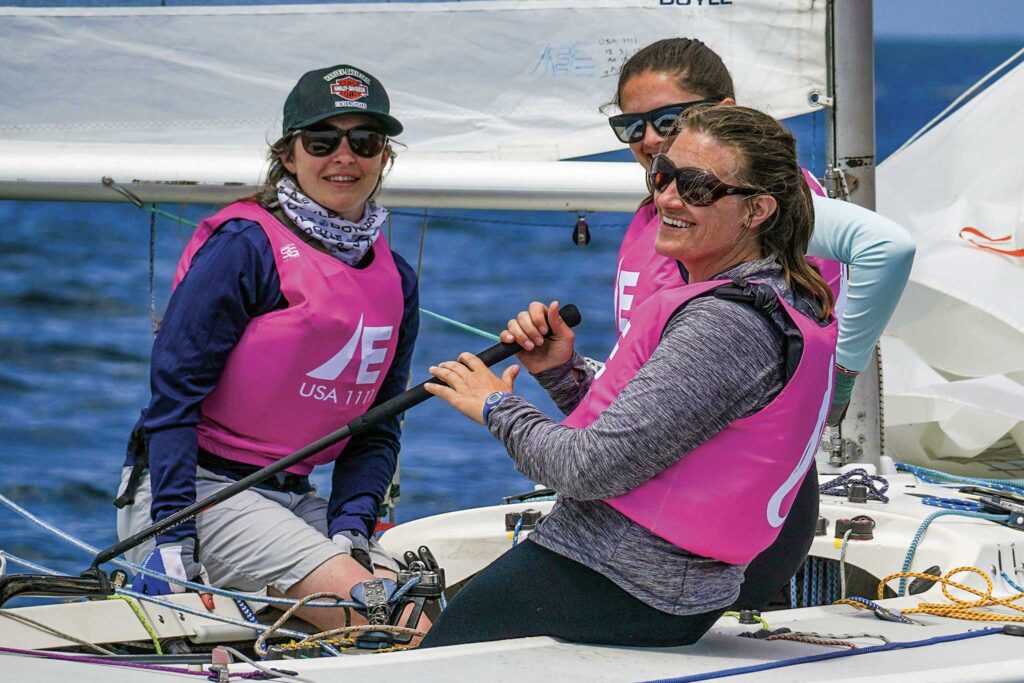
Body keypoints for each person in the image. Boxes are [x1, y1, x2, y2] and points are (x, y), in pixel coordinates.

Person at [419, 104, 837, 648]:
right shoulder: (784, 297)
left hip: (618, 580)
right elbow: (658, 430)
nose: (666, 198)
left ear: (757, 209)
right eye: (663, 177)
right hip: (664, 590)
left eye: (696, 187)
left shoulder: (726, 321)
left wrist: (496, 406)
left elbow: (589, 469)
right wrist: (562, 372)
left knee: (429, 659)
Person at [604, 38, 915, 610]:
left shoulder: (759, 203)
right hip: (665, 502)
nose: (648, 139)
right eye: (631, 126)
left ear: (720, 110)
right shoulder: (670, 214)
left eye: (667, 119)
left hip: (728, 515)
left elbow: (886, 246)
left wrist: (840, 379)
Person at [114, 64, 420, 633]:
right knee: (386, 620)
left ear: (385, 156)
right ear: (288, 153)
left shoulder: (396, 279)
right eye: (322, 140)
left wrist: (352, 522)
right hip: (193, 495)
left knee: (423, 606)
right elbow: (173, 401)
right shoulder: (245, 248)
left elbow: (377, 428)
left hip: (290, 497)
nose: (344, 157)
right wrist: (172, 535)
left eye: (366, 141)